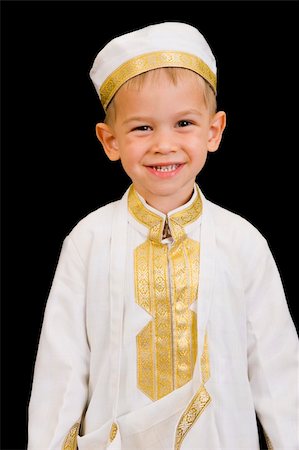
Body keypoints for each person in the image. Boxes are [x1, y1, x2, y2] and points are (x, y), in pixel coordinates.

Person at [27, 21, 298, 450]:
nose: (164, 144)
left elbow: (277, 369)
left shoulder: (242, 241)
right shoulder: (88, 240)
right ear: (109, 140)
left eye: (184, 123)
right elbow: (61, 369)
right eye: (142, 128)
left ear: (214, 131)